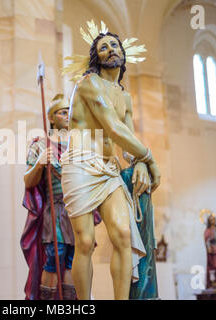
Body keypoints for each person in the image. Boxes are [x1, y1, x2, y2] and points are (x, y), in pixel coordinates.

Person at [60, 22, 161, 300]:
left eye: (114, 45)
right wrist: (150, 158)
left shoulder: (125, 96)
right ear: (97, 57)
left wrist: (139, 162)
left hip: (108, 168)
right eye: (103, 47)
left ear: (122, 53)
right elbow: (113, 127)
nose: (110, 50)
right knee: (85, 241)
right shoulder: (88, 83)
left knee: (123, 235)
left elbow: (126, 141)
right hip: (80, 163)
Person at [21, 94, 77, 300]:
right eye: (63, 112)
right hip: (55, 209)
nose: (68, 116)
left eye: (69, 112)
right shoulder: (41, 144)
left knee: (74, 259)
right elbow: (28, 181)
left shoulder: (78, 145)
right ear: (52, 118)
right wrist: (40, 163)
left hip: (76, 210)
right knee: (55, 255)